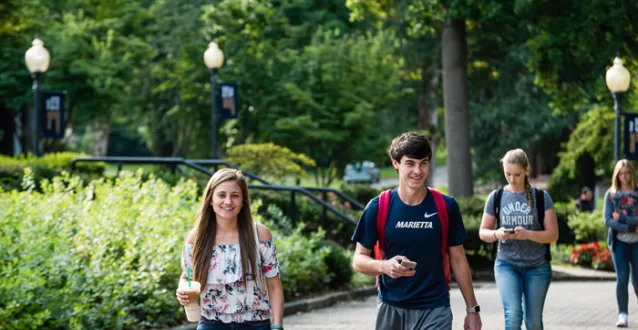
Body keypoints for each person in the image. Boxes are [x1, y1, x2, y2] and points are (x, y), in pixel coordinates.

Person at [351, 132, 482, 330]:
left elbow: (458, 259)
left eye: (424, 163)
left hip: (435, 308)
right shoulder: (379, 206)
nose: (418, 171)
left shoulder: (446, 206)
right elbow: (359, 260)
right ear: (396, 163)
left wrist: (472, 310)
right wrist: (385, 266)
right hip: (391, 307)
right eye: (410, 163)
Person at [176, 169, 285, 330]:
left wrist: (277, 326)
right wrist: (182, 290)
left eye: (235, 195)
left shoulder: (260, 235)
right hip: (211, 323)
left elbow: (274, 285)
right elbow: (188, 276)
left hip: (256, 324)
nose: (228, 201)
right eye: (221, 195)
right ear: (210, 200)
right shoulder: (196, 238)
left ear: (243, 201)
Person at [479, 148, 558, 330]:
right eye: (508, 174)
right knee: (513, 316)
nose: (512, 179)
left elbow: (553, 234)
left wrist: (528, 234)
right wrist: (497, 234)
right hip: (507, 264)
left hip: (537, 267)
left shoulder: (541, 197)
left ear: (526, 170)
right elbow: (483, 232)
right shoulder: (496, 197)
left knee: (533, 322)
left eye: (517, 174)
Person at [603, 159, 638, 328]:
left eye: (627, 173)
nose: (624, 176)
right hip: (619, 243)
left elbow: (618, 218)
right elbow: (608, 220)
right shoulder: (611, 194)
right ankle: (622, 314)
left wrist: (623, 218)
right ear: (617, 175)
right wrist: (631, 226)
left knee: (637, 280)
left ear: (632, 173)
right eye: (621, 173)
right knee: (622, 278)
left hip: (637, 243)